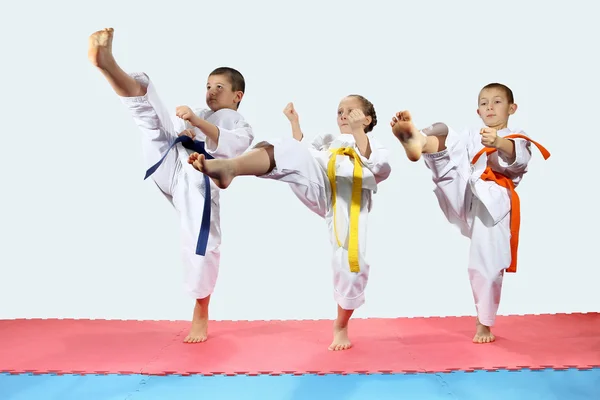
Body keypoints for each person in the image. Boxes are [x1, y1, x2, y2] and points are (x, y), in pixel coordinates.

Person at [87, 27, 254, 343]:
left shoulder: (238, 122)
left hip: (200, 176)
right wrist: (189, 126)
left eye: (219, 86)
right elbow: (177, 129)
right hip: (173, 160)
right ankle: (108, 65)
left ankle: (200, 309)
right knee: (152, 122)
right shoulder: (199, 114)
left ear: (237, 95)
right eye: (208, 85)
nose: (211, 91)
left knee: (203, 243)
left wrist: (197, 123)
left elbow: (230, 147)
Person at [188, 95, 391, 350]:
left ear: (368, 118)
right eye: (340, 110)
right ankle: (231, 167)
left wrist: (359, 130)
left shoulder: (373, 145)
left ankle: (341, 325)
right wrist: (295, 123)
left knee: (352, 265)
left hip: (349, 197)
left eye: (351, 111)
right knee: (287, 147)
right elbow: (301, 155)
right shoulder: (328, 142)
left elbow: (380, 167)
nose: (343, 114)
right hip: (321, 183)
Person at [390, 83, 550, 343]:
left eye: (497, 102)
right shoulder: (471, 134)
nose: (490, 106)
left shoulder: (516, 135)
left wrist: (499, 142)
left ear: (512, 108)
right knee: (445, 133)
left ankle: (483, 323)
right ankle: (418, 140)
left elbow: (518, 159)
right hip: (464, 187)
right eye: (484, 102)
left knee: (486, 263)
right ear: (478, 110)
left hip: (494, 201)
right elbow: (457, 150)